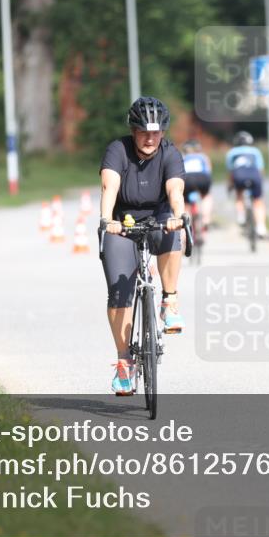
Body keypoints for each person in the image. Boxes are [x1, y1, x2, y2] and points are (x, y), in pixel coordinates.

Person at [99, 97, 187, 395]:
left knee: (173, 233)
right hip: (121, 224)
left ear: (162, 132)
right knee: (119, 292)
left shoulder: (170, 152)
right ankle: (124, 363)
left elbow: (175, 188)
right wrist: (105, 219)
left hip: (158, 218)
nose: (150, 139)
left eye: (155, 132)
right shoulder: (117, 150)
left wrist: (178, 215)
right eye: (143, 132)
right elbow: (109, 185)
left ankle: (169, 300)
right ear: (133, 130)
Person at [225, 131, 267, 239]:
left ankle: (241, 216)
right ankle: (261, 227)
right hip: (254, 176)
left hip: (239, 176)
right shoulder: (255, 151)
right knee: (258, 201)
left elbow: (231, 172)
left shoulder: (232, 152)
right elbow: (260, 170)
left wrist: (230, 186)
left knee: (239, 194)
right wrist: (260, 182)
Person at [181, 139, 213, 227]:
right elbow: (209, 171)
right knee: (206, 196)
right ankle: (206, 219)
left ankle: (187, 222)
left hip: (187, 178)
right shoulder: (203, 156)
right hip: (202, 177)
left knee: (185, 202)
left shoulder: (182, 157)